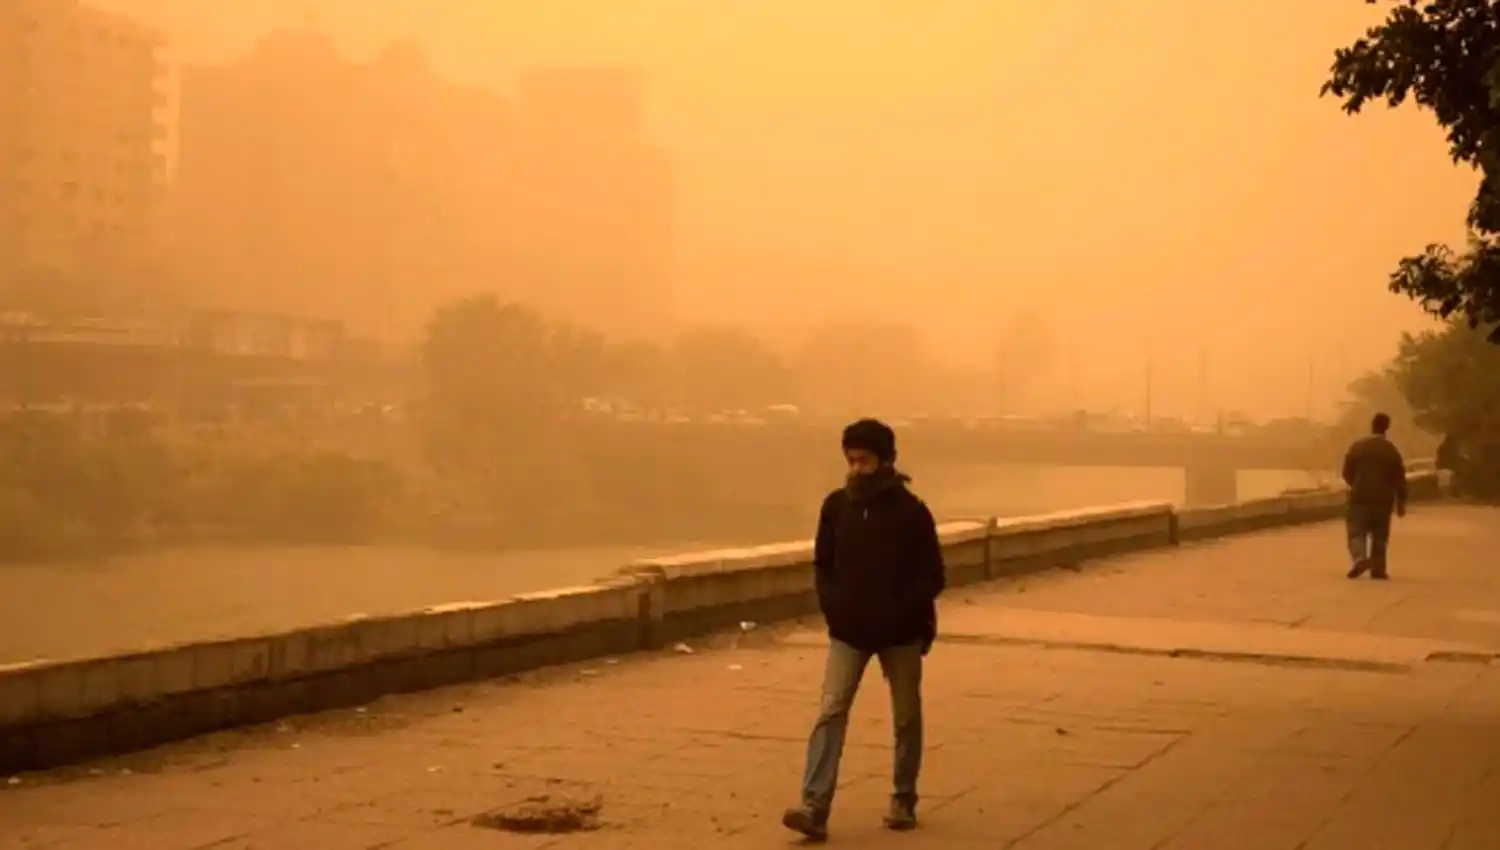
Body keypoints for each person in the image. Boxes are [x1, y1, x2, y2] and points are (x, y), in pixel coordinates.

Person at [781, 418, 946, 840]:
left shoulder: (913, 513)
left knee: (906, 716)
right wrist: (834, 608)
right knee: (831, 711)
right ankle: (814, 805)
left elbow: (932, 576)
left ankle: (903, 797)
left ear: (886, 461)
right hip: (848, 631)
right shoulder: (836, 507)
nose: (856, 469)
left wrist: (899, 611)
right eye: (851, 460)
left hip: (901, 632)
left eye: (864, 461)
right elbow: (823, 565)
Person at [1341, 412, 1408, 580]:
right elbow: (1400, 478)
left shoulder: (1358, 447)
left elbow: (1346, 471)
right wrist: (1401, 501)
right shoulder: (1391, 450)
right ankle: (1378, 569)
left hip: (1360, 497)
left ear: (1372, 425)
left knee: (1356, 530)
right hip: (1383, 499)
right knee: (1380, 534)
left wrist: (1356, 484)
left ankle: (1360, 558)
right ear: (1387, 428)